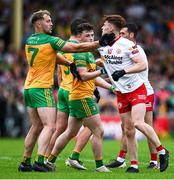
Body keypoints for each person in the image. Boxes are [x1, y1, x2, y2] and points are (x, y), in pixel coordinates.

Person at [18, 10, 115, 172]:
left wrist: (68, 65)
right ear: (38, 24)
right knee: (49, 126)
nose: (51, 23)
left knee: (36, 127)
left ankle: (25, 162)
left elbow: (51, 57)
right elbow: (76, 48)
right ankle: (40, 161)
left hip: (29, 87)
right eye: (48, 21)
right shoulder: (51, 40)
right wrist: (100, 43)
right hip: (43, 88)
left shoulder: (30, 40)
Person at [98, 15, 169, 173]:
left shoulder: (130, 46)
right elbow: (107, 67)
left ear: (111, 28)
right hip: (122, 92)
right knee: (128, 128)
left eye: (105, 25)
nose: (102, 27)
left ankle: (160, 153)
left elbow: (142, 65)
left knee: (140, 123)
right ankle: (132, 164)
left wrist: (123, 71)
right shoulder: (103, 45)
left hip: (140, 88)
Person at [45, 21, 115, 173]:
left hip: (72, 92)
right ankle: (99, 166)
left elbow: (86, 75)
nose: (91, 38)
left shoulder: (81, 51)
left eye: (92, 35)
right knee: (98, 130)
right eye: (87, 36)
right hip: (81, 96)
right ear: (78, 36)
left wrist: (109, 85)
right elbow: (83, 76)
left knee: (68, 132)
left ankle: (49, 160)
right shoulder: (81, 52)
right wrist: (102, 71)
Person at [105, 23, 158, 169]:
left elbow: (135, 70)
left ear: (131, 35)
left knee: (145, 126)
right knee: (126, 127)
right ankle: (122, 158)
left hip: (144, 91)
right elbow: (118, 72)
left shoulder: (136, 49)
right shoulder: (122, 49)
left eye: (122, 33)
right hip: (129, 90)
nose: (120, 36)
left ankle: (154, 160)